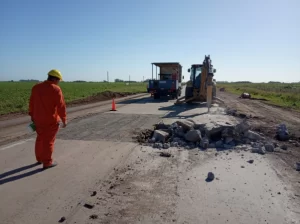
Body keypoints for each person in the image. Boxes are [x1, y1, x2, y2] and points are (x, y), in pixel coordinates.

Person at [29, 69, 67, 169]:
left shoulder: (36, 87)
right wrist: (64, 119)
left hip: (37, 119)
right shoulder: (56, 89)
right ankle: (47, 162)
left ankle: (39, 159)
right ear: (55, 79)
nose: (59, 82)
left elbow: (31, 103)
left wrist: (32, 116)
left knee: (40, 138)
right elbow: (61, 106)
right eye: (59, 80)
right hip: (51, 120)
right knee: (49, 141)